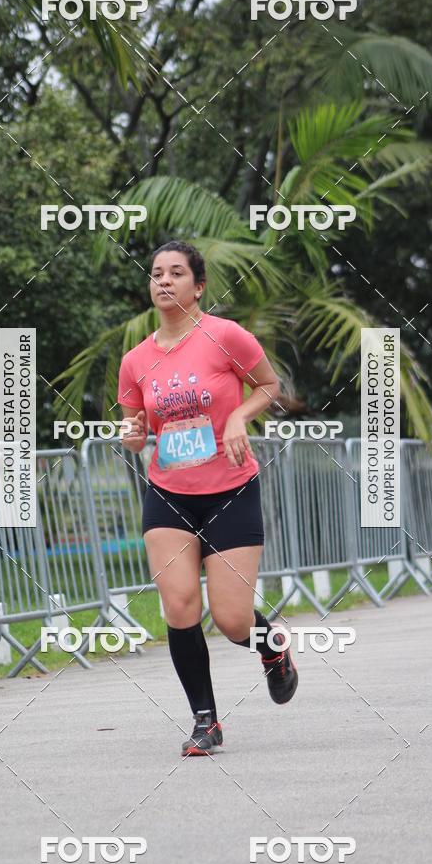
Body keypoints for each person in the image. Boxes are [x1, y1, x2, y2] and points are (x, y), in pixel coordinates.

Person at [117, 240, 298, 756]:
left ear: (198, 287)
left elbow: (268, 383)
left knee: (233, 620)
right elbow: (135, 425)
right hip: (169, 494)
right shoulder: (135, 361)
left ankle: (273, 648)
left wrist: (240, 416)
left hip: (232, 490)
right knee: (178, 606)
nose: (164, 281)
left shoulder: (225, 337)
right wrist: (131, 433)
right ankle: (206, 721)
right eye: (156, 273)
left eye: (176, 273)